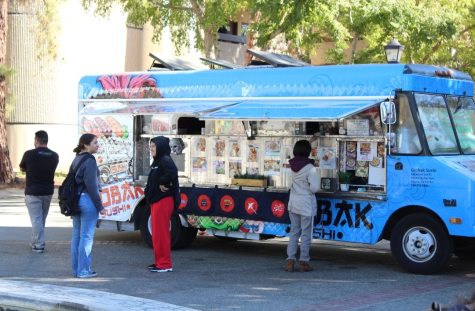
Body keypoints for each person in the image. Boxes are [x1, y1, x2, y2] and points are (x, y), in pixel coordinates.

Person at [19, 130, 59, 253]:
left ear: (36, 140)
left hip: (32, 192)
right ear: (47, 140)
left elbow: (22, 168)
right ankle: (34, 241)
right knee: (41, 219)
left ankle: (39, 245)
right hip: (47, 191)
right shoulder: (54, 155)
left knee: (36, 219)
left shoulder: (29, 154)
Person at [70, 133, 103, 278]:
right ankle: (84, 270)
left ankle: (77, 269)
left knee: (77, 236)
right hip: (87, 200)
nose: (97, 145)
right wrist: (99, 205)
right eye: (95, 143)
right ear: (85, 145)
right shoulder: (90, 160)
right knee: (87, 237)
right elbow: (92, 185)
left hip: (75, 200)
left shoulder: (77, 158)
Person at [145, 136, 179, 273]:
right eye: (150, 146)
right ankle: (159, 261)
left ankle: (164, 264)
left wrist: (163, 182)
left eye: (153, 146)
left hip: (163, 201)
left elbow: (172, 174)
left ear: (160, 147)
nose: (151, 149)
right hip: (156, 200)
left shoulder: (165, 159)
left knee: (161, 233)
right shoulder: (158, 161)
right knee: (157, 233)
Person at [285, 140, 320, 272]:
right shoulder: (310, 168)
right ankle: (304, 261)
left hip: (293, 203)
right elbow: (315, 188)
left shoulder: (291, 165)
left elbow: (289, 184)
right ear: (307, 151)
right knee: (305, 233)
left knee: (294, 232)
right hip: (306, 204)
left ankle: (290, 260)